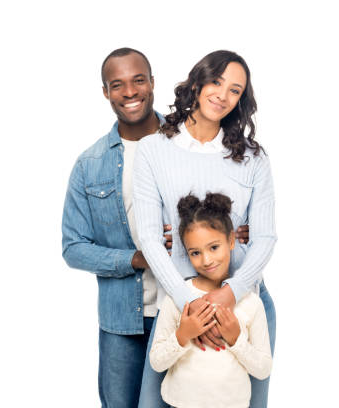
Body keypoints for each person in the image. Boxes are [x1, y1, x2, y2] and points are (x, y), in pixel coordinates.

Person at [61, 48, 250, 407]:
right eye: (117, 85)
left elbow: (226, 197)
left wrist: (240, 232)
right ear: (105, 92)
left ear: (152, 83)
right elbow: (73, 247)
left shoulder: (187, 142)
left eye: (139, 80)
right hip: (124, 319)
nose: (130, 92)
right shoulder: (90, 164)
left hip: (190, 304)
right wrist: (136, 258)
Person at [133, 50, 276, 408]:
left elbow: (265, 237)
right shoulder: (153, 150)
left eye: (235, 90)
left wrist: (229, 294)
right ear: (197, 82)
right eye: (217, 81)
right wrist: (192, 304)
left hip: (244, 303)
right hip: (180, 306)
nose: (222, 95)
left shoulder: (253, 158)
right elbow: (150, 237)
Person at [149, 192, 272, 408]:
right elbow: (157, 362)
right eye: (195, 252)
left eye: (214, 247)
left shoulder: (251, 303)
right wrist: (182, 335)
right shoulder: (178, 299)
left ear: (232, 240)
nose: (206, 260)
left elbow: (263, 369)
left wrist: (236, 340)